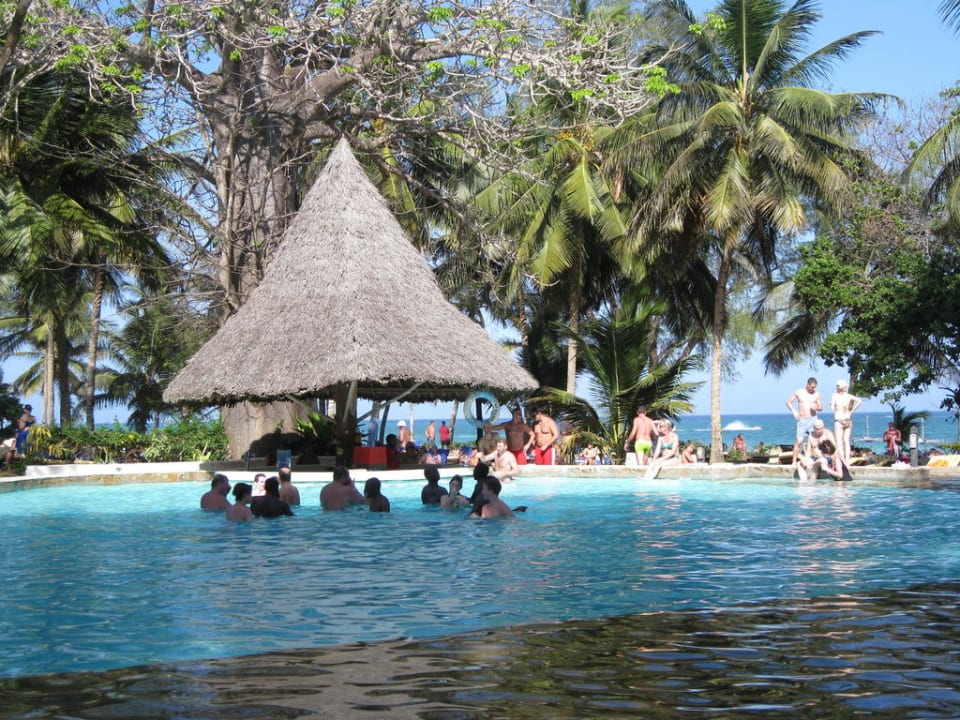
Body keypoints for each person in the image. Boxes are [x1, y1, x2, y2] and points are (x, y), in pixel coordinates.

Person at [786, 377, 822, 464]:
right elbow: (788, 402)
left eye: (814, 387)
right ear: (808, 384)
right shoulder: (799, 392)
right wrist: (794, 411)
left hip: (813, 419)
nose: (813, 389)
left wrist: (816, 407)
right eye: (812, 387)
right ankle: (794, 461)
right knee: (799, 441)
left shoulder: (816, 394)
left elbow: (820, 407)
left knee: (815, 441)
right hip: (803, 420)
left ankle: (815, 460)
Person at [830, 380, 863, 461]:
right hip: (848, 418)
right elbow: (859, 401)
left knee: (839, 441)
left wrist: (831, 404)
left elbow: (831, 408)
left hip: (839, 419)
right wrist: (852, 411)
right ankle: (847, 460)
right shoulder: (848, 396)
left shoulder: (834, 395)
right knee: (846, 440)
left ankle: (843, 460)